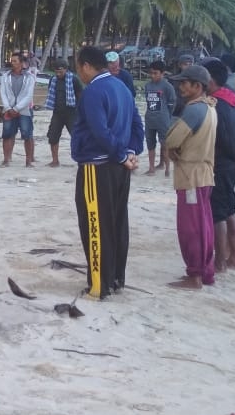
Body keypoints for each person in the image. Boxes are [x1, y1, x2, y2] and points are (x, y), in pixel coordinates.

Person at [70, 46, 144, 299]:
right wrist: (131, 152)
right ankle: (115, 278)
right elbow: (137, 124)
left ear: (86, 66)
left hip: (97, 166)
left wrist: (122, 154)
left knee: (95, 224)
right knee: (116, 222)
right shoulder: (122, 87)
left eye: (78, 67)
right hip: (120, 168)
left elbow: (100, 131)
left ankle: (99, 285)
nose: (79, 73)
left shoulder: (93, 91)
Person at [164, 65, 218, 289]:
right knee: (204, 225)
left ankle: (195, 275)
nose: (181, 87)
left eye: (184, 83)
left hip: (191, 176)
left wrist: (172, 148)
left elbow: (172, 139)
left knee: (191, 228)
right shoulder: (210, 107)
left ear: (197, 86)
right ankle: (206, 272)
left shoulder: (194, 110)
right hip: (204, 175)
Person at [200, 59, 235, 272]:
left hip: (219, 163)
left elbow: (222, 137)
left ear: (209, 80)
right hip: (231, 164)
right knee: (230, 209)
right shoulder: (232, 98)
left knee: (217, 214)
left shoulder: (214, 104)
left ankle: (220, 261)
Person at [44, 60, 82, 167]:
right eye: (56, 72)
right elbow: (51, 94)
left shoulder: (74, 79)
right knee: (52, 136)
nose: (58, 74)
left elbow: (80, 95)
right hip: (57, 113)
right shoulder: (53, 80)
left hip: (72, 113)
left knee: (76, 136)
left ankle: (81, 160)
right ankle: (55, 160)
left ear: (66, 69)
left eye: (60, 71)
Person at [0, 52, 35, 167]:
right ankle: (6, 159)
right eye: (12, 61)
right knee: (7, 134)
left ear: (21, 63)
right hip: (9, 109)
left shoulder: (29, 77)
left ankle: (28, 161)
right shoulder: (5, 76)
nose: (12, 63)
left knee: (27, 135)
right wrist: (8, 108)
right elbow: (3, 93)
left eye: (15, 61)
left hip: (24, 110)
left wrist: (17, 108)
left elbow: (29, 96)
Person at [143, 60, 176, 176]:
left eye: (155, 73)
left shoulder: (167, 86)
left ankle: (167, 168)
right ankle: (151, 168)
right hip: (150, 119)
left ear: (162, 73)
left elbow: (172, 103)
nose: (153, 75)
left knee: (165, 144)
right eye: (151, 73)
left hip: (163, 120)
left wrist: (167, 115)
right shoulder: (148, 86)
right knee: (150, 143)